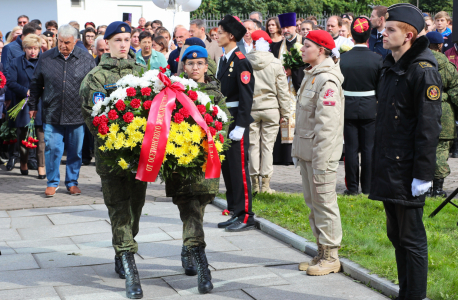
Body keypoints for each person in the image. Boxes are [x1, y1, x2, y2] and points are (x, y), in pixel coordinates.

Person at [369, 4, 442, 300]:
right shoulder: (390, 65)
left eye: (390, 30)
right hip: (389, 164)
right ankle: (405, 293)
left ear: (409, 35)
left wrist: (423, 174)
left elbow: (428, 128)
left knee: (411, 238)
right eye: (384, 28)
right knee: (396, 236)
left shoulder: (422, 72)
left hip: (409, 168)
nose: (382, 33)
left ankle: (416, 295)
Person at [80, 21, 147, 299]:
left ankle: (123, 247)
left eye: (127, 38)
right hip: (111, 157)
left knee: (135, 208)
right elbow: (93, 117)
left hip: (140, 157)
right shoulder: (95, 77)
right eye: (117, 39)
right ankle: (129, 263)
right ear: (106, 43)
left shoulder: (144, 73)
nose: (123, 44)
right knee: (118, 208)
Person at [166, 44, 229, 295]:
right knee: (190, 209)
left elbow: (224, 121)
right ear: (184, 66)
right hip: (181, 163)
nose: (195, 67)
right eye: (190, 64)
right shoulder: (174, 90)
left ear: (206, 65)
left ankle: (187, 247)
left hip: (206, 162)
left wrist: (216, 137)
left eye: (199, 63)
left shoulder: (215, 92)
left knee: (198, 209)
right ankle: (203, 267)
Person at [292, 30, 344, 276]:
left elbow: (327, 125)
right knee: (314, 204)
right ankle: (321, 251)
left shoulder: (327, 80)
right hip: (308, 152)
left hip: (320, 155)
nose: (302, 49)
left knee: (325, 204)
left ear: (321, 50)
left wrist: (321, 161)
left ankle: (332, 256)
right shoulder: (311, 75)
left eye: (307, 45)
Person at [28, 24, 96, 197]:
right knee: (52, 149)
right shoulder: (46, 58)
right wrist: (33, 106)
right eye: (60, 42)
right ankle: (52, 182)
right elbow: (36, 83)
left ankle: (72, 182)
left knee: (75, 151)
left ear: (75, 41)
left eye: (67, 42)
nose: (63, 46)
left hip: (77, 114)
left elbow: (93, 85)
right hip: (52, 112)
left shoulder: (86, 58)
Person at [216, 15, 255, 232]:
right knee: (229, 169)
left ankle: (246, 214)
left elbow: (246, 96)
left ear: (231, 36)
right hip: (225, 119)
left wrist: (241, 125)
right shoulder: (225, 59)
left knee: (239, 169)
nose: (217, 35)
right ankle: (234, 210)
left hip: (235, 121)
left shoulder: (240, 61)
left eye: (221, 32)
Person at [340, 17, 382, 196]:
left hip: (347, 107)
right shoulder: (377, 59)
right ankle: (368, 187)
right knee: (369, 149)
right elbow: (381, 88)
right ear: (368, 36)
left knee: (350, 149)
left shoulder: (342, 59)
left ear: (352, 34)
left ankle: (352, 188)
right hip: (370, 108)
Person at [247, 30, 290, 194]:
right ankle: (265, 185)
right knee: (267, 147)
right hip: (271, 108)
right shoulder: (275, 62)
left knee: (253, 146)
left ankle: (254, 184)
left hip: (252, 107)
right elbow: (283, 90)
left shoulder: (245, 62)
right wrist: (285, 113)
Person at [6, 34, 46, 179]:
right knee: (23, 136)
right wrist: (26, 91)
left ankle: (41, 166)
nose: (33, 51)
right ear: (24, 48)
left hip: (40, 103)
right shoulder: (16, 62)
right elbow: (10, 82)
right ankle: (24, 162)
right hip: (23, 104)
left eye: (35, 48)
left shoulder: (43, 62)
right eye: (29, 48)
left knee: (41, 137)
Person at [424, 31, 458, 197]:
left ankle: (421, 188)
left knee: (421, 149)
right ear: (439, 46)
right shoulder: (450, 68)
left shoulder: (416, 65)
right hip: (445, 115)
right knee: (442, 151)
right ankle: (437, 189)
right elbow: (456, 94)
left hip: (422, 112)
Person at [270, 13, 304, 166]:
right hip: (282, 89)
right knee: (282, 118)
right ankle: (282, 157)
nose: (285, 30)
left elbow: (308, 65)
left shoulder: (304, 44)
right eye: (283, 27)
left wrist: (293, 72)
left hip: (298, 89)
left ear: (295, 27)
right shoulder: (276, 46)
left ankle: (296, 155)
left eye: (288, 27)